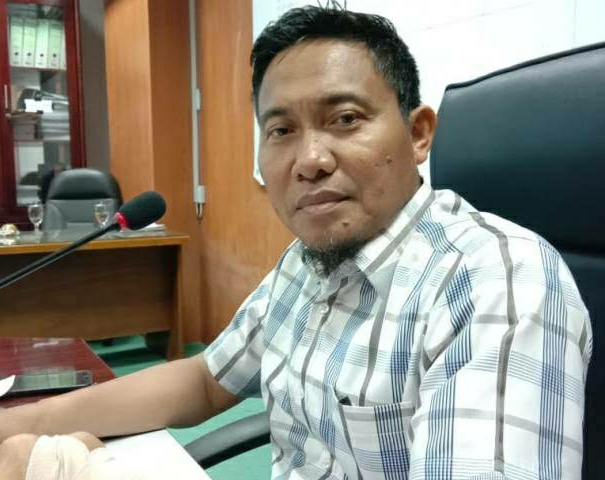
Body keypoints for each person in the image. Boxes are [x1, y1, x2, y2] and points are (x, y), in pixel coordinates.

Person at [0, 5, 592, 479]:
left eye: (345, 119)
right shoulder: (308, 263)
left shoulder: (496, 282)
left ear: (417, 134)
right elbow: (205, 378)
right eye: (281, 129)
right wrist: (25, 421)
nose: (310, 160)